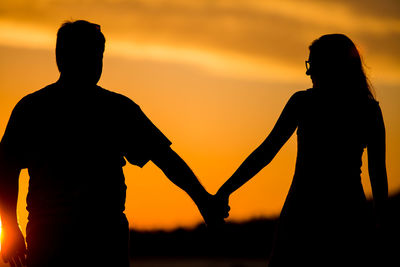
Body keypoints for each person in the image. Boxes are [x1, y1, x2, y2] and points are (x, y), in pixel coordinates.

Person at [0, 20, 228, 267]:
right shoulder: (43, 110)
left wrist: (204, 200)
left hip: (99, 240)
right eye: (89, 55)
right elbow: (5, 169)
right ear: (62, 58)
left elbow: (164, 157)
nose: (94, 64)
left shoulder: (39, 108)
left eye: (98, 57)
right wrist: (11, 228)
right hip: (61, 241)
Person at [215, 34, 388, 266]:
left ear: (329, 66)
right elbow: (378, 175)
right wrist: (382, 224)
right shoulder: (369, 110)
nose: (308, 73)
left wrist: (225, 190)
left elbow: (265, 152)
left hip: (302, 215)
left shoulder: (303, 103)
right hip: (350, 215)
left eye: (313, 65)